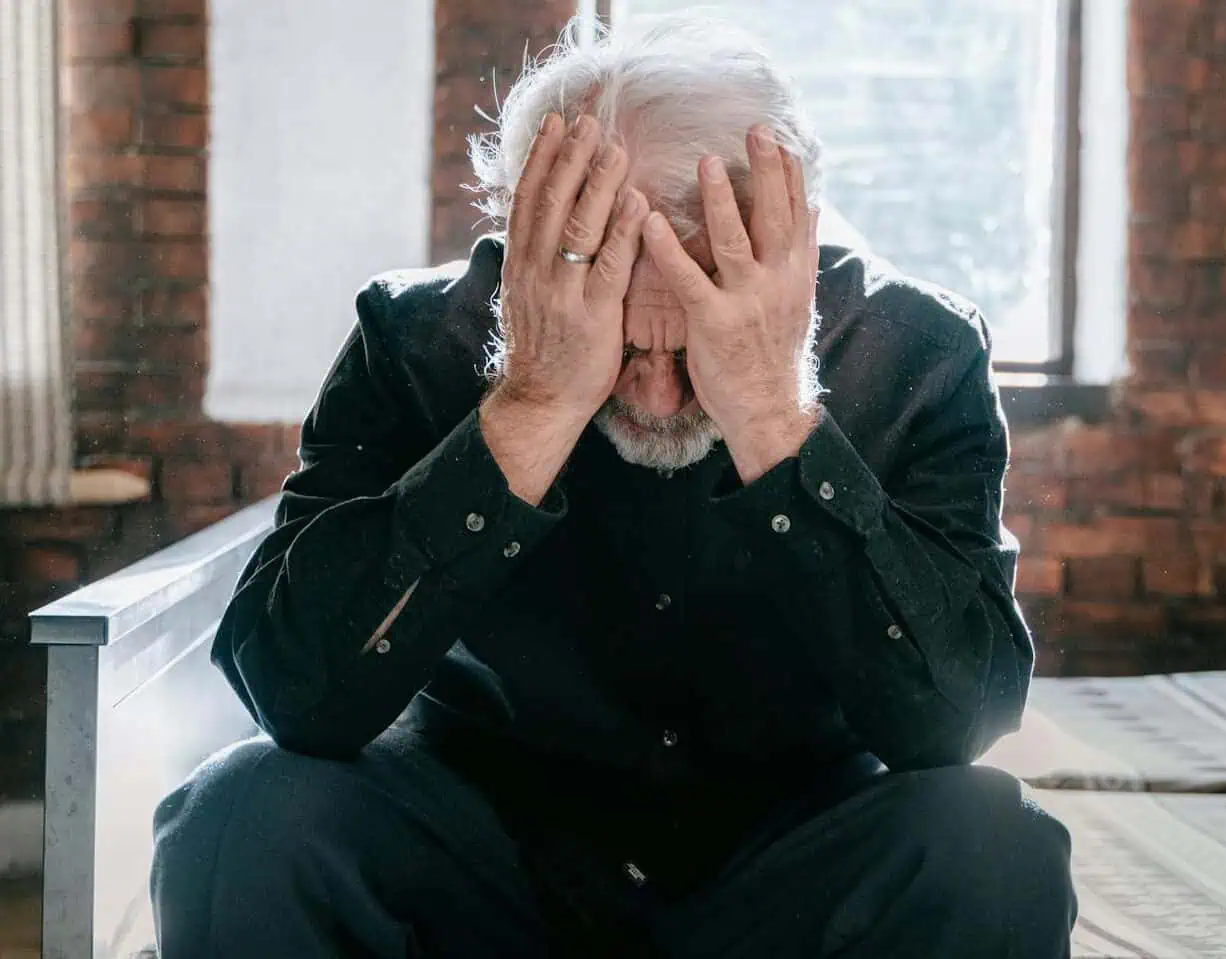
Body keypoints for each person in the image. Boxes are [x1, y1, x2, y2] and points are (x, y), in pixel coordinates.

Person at [149, 13, 1074, 959]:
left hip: (788, 864)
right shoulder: (416, 339)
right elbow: (295, 693)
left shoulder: (919, 353)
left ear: (783, 248)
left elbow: (958, 720)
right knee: (240, 816)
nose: (660, 392)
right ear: (525, 252)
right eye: (624, 346)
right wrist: (536, 396)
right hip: (488, 858)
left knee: (993, 843)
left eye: (697, 346)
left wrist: (769, 407)